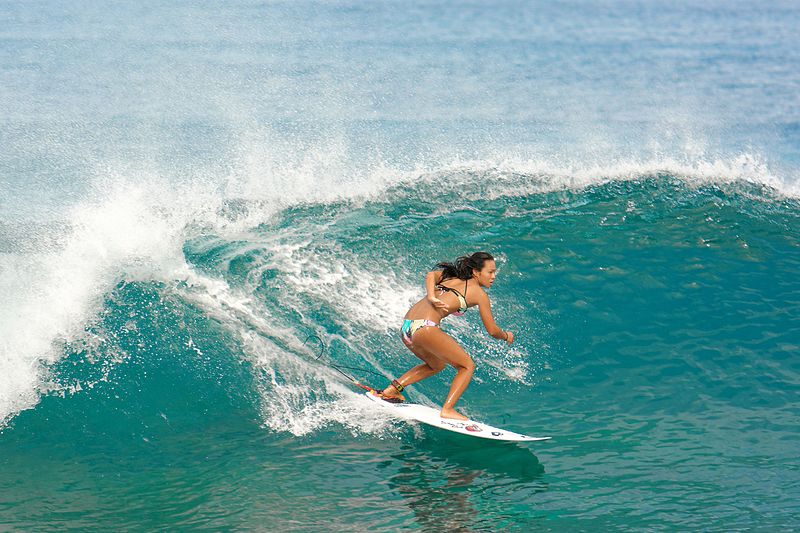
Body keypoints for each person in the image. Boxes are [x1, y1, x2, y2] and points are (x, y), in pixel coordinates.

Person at [376, 252, 514, 420]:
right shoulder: (479, 294)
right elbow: (492, 331)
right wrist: (506, 336)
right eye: (490, 272)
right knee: (467, 366)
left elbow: (430, 275)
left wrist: (432, 295)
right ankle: (448, 409)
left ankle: (392, 390)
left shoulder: (450, 277)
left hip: (407, 327)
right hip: (426, 328)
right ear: (476, 272)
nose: (493, 276)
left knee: (436, 365)